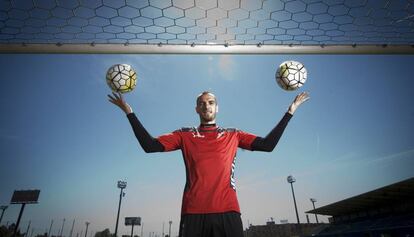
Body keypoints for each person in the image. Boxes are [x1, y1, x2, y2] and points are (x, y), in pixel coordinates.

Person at [108, 91, 309, 237]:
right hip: (194, 213)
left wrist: (289, 113)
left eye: (211, 102)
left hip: (228, 211)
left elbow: (267, 145)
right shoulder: (184, 135)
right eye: (202, 103)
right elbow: (149, 145)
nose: (206, 106)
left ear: (217, 107)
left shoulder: (233, 134)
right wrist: (129, 113)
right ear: (196, 108)